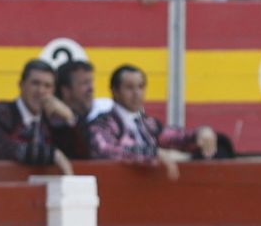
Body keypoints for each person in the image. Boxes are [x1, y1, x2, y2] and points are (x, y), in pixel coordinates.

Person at [87, 63, 217, 181]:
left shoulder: (147, 124)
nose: (137, 93)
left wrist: (201, 134)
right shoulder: (102, 124)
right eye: (129, 87)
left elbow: (175, 138)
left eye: (141, 87)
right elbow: (105, 150)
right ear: (115, 91)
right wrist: (152, 153)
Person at [0, 58, 76, 172]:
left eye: (47, 86)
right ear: (21, 85)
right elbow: (2, 150)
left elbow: (81, 154)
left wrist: (70, 119)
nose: (41, 91)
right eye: (35, 83)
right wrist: (52, 155)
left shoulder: (53, 119)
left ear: (53, 91)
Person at [52, 57, 104, 159]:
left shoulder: (102, 118)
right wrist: (71, 120)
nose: (91, 89)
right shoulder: (53, 124)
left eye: (91, 82)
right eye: (85, 83)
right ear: (66, 91)